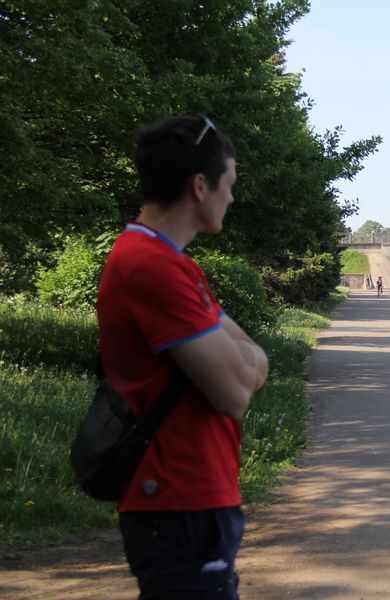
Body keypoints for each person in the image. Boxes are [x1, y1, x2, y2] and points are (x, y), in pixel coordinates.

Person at [97, 115, 269, 598]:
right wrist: (249, 359)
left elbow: (249, 358)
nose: (231, 197)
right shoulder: (151, 266)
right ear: (200, 185)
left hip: (194, 495)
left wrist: (247, 359)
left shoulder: (173, 262)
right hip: (177, 496)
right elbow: (235, 389)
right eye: (228, 184)